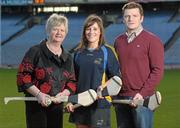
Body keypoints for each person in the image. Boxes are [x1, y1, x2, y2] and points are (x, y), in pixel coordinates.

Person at [16, 13, 76, 128]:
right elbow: (23, 76)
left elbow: (72, 82)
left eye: (62, 30)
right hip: (36, 105)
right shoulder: (35, 51)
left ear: (66, 33)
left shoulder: (68, 57)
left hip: (56, 107)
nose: (59, 33)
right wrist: (39, 95)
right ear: (48, 31)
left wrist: (63, 94)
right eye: (55, 29)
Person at [114, 2, 164, 128]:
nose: (131, 19)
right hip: (121, 99)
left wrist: (141, 94)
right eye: (127, 16)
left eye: (135, 15)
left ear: (141, 18)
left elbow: (157, 71)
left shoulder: (153, 40)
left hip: (143, 99)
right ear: (123, 19)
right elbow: (116, 70)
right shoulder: (118, 41)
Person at [66, 14, 120, 128]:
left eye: (95, 29)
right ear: (84, 32)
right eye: (88, 29)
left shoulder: (107, 52)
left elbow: (117, 78)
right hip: (80, 104)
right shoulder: (77, 53)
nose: (91, 32)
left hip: (100, 105)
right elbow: (72, 81)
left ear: (100, 32)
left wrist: (103, 88)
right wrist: (71, 101)